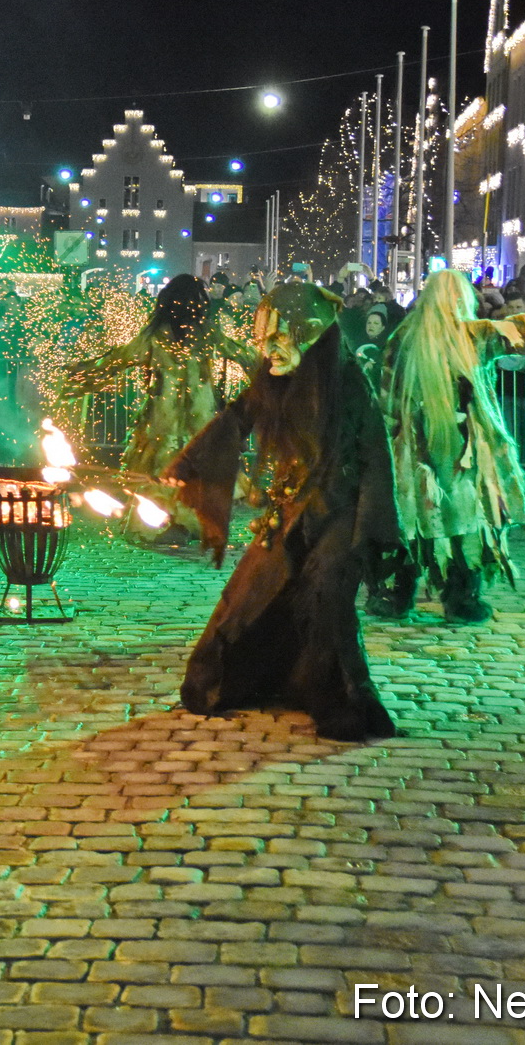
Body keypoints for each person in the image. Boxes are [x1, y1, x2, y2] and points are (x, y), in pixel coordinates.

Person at [164, 282, 397, 741]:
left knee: (327, 599)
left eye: (278, 338)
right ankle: (237, 680)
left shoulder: (348, 381)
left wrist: (372, 528)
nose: (268, 350)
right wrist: (188, 463)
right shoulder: (274, 380)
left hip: (341, 508)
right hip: (290, 506)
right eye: (263, 340)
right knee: (252, 592)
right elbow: (237, 417)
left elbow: (375, 453)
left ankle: (343, 704)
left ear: (307, 333)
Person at [369, 268, 525, 623]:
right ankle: (461, 598)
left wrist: (389, 439)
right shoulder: (471, 334)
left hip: (415, 442)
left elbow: (387, 396)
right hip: (462, 445)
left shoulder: (404, 336)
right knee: (467, 515)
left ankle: (398, 594)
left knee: (413, 515)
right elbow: (521, 329)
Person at [64, 273, 252, 537]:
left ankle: (161, 526)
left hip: (164, 421)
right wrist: (277, 373)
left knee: (159, 471)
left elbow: (119, 359)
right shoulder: (205, 333)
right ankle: (188, 523)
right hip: (199, 420)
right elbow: (243, 354)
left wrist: (80, 375)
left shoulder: (160, 335)